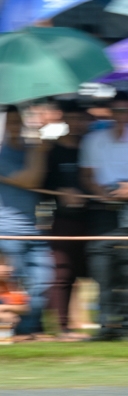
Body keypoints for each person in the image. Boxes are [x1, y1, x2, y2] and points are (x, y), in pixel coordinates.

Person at [80, 95, 128, 341]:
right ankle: (105, 325)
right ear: (111, 112)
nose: (121, 113)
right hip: (103, 209)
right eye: (116, 109)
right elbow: (87, 175)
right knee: (102, 268)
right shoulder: (94, 139)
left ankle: (126, 325)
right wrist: (100, 192)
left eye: (126, 109)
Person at [0, 107, 53, 339]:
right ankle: (20, 330)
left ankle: (29, 329)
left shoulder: (31, 149)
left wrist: (39, 146)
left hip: (34, 228)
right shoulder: (2, 153)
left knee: (42, 281)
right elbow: (31, 179)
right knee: (17, 285)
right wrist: (39, 151)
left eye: (17, 120)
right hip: (8, 229)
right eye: (9, 121)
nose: (14, 125)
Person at [43, 101, 90, 340]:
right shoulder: (53, 151)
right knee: (62, 273)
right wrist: (60, 192)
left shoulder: (93, 146)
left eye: (82, 119)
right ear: (65, 120)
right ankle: (62, 327)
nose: (77, 123)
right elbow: (42, 187)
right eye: (72, 118)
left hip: (94, 219)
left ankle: (106, 326)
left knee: (93, 272)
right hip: (63, 219)